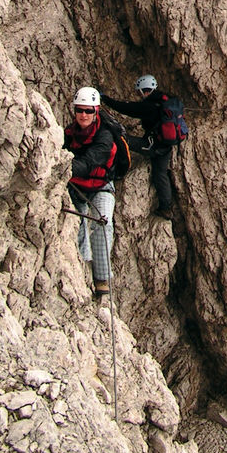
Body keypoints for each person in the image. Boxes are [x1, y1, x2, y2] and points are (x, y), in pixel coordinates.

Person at [63, 86, 117, 298]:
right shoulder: (69, 133)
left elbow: (89, 162)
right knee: (79, 223)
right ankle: (83, 266)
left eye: (88, 111)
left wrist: (62, 164)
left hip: (101, 186)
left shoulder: (105, 137)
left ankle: (102, 276)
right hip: (77, 187)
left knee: (103, 222)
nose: (83, 115)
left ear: (96, 112)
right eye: (80, 110)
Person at [100, 74, 174, 220]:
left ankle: (117, 170)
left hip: (152, 146)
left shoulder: (148, 105)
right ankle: (166, 208)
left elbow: (127, 108)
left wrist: (105, 99)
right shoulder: (166, 100)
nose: (139, 96)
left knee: (121, 139)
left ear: (144, 91)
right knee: (161, 175)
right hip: (166, 146)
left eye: (139, 92)